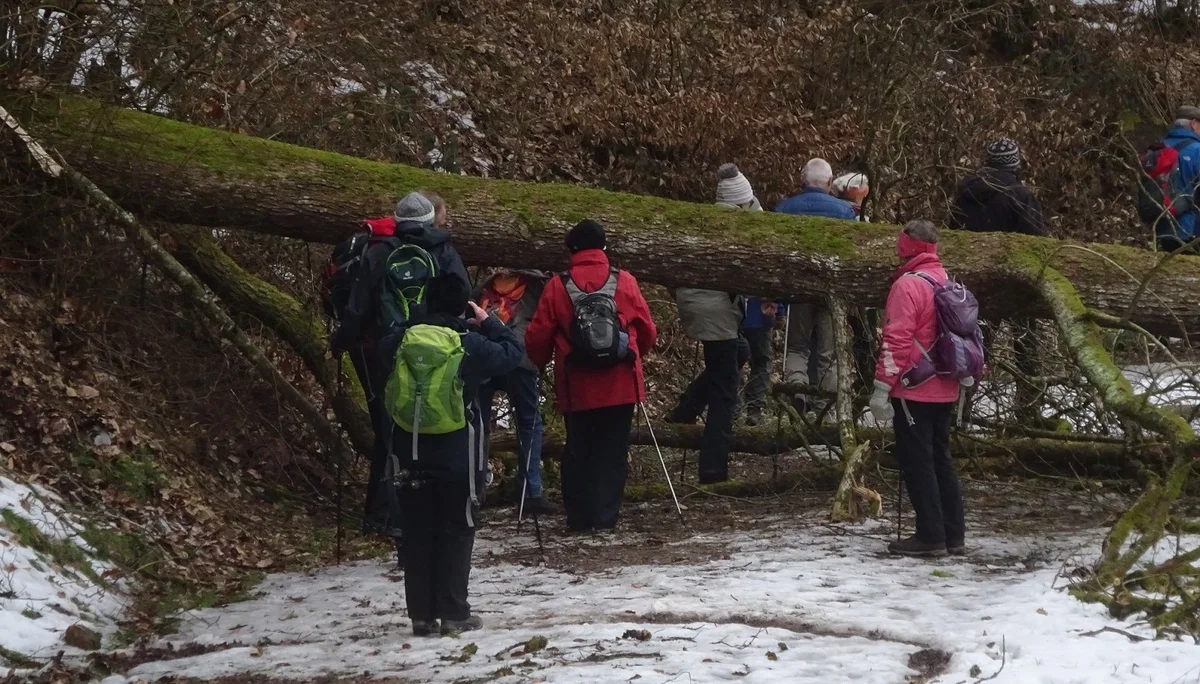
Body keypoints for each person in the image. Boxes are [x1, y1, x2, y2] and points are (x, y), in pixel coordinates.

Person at [329, 191, 470, 554]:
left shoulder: (379, 252)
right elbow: (461, 299)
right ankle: (433, 508)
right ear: (430, 220)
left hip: (388, 352)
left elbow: (359, 308)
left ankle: (387, 516)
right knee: (438, 424)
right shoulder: (445, 250)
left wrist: (339, 341)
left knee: (390, 431)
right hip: (436, 353)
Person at [383, 275, 524, 635]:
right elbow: (513, 352)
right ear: (464, 305)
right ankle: (454, 612)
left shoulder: (401, 341)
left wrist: (414, 318)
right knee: (457, 528)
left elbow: (379, 350)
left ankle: (421, 616)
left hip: (409, 451)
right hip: (458, 453)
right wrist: (488, 321)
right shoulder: (468, 344)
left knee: (417, 531)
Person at [525, 220, 657, 533]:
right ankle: (605, 516)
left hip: (576, 383)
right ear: (604, 248)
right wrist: (636, 354)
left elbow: (538, 336)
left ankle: (580, 517)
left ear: (572, 249)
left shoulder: (558, 285)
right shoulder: (624, 281)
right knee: (612, 449)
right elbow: (648, 329)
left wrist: (541, 360)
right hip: (620, 380)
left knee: (579, 448)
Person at [869, 220, 965, 558]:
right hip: (947, 385)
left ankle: (930, 536)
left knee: (918, 461)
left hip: (914, 389)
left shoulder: (907, 286)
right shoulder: (946, 280)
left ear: (906, 248)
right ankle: (953, 534)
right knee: (941, 458)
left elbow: (895, 340)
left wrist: (882, 387)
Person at [665, 164, 753, 483]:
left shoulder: (702, 221)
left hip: (697, 307)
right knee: (724, 394)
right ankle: (714, 469)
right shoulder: (736, 230)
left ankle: (685, 410)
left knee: (738, 353)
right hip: (716, 316)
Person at [947, 139, 1044, 421]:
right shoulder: (1022, 196)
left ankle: (961, 410)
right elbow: (1038, 242)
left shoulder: (965, 194)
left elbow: (953, 235)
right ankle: (1028, 411)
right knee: (1026, 348)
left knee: (975, 349)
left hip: (975, 284)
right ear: (1016, 163)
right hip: (1016, 285)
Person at [775, 158, 857, 411]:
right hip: (831, 290)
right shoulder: (845, 212)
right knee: (828, 353)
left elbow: (777, 253)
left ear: (802, 181)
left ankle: (798, 387)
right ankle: (827, 407)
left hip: (798, 288)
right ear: (830, 182)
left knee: (797, 346)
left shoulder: (784, 209)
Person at [475, 268, 554, 514]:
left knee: (477, 425)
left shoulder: (485, 287)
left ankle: (473, 490)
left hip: (484, 356)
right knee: (529, 424)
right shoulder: (536, 287)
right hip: (521, 358)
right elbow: (545, 324)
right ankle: (531, 491)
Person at [948, 138, 1045, 236]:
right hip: (1010, 250)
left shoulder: (966, 190)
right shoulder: (1021, 196)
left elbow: (954, 229)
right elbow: (1036, 237)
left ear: (988, 161)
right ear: (1016, 164)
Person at [1148, 106, 1200, 251]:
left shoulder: (1159, 147)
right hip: (1190, 229)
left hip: (1160, 225)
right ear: (1193, 124)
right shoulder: (1197, 150)